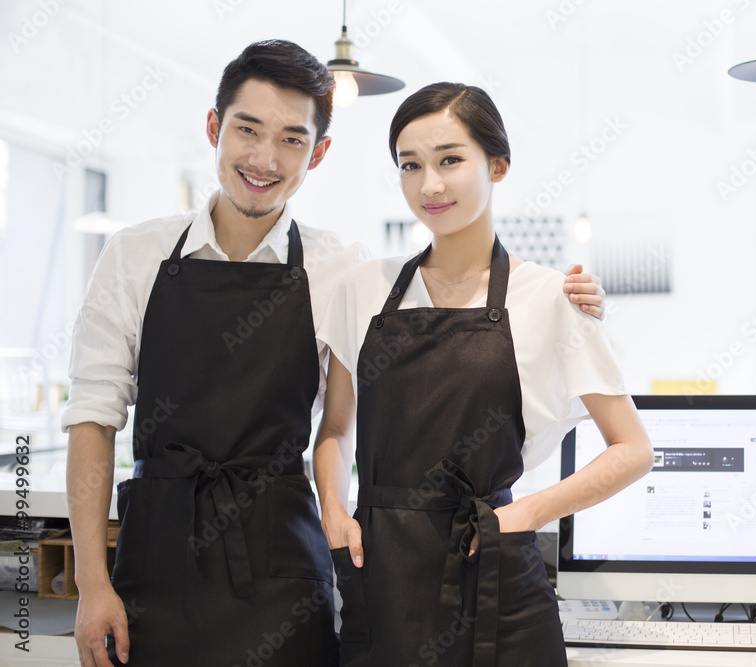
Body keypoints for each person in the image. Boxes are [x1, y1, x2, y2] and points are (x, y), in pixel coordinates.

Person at [62, 43, 606, 667]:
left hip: (283, 572)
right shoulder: (134, 256)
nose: (264, 159)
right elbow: (93, 417)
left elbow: (403, 375)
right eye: (247, 130)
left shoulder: (338, 269)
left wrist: (573, 308)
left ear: (317, 153)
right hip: (152, 565)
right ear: (214, 128)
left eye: (292, 139)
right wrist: (90, 583)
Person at [314, 83, 654, 666]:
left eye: (450, 160)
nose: (430, 185)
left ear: (497, 165)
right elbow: (337, 427)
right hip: (380, 579)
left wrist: (524, 513)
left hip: (495, 574)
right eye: (410, 166)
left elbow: (633, 449)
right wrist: (333, 512)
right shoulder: (363, 288)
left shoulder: (551, 297)